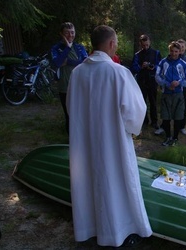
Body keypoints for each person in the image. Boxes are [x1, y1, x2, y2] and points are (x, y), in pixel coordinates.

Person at [66, 25, 152, 247]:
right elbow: (136, 111)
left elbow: (70, 106)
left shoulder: (77, 74)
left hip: (84, 141)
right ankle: (118, 229)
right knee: (115, 181)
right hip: (112, 141)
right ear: (111, 43)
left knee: (89, 181)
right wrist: (133, 130)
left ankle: (91, 227)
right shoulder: (118, 72)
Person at [51, 22, 88, 134]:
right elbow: (57, 63)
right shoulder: (56, 48)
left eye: (72, 32)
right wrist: (67, 48)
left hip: (80, 85)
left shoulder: (79, 47)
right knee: (69, 114)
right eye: (67, 33)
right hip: (64, 86)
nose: (70, 35)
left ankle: (82, 136)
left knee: (81, 112)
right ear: (61, 34)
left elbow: (86, 62)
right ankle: (70, 140)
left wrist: (68, 61)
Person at [155, 41, 186, 146]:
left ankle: (175, 138)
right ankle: (167, 137)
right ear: (169, 51)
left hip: (178, 94)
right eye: (172, 51)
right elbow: (157, 76)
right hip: (166, 93)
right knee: (166, 117)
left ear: (180, 52)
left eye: (176, 51)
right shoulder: (163, 62)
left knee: (178, 117)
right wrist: (166, 84)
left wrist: (178, 83)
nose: (174, 53)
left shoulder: (184, 64)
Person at [131, 34, 162, 129]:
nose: (145, 47)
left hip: (152, 80)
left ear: (149, 42)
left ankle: (154, 121)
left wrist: (151, 66)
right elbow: (133, 68)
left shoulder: (156, 53)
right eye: (143, 45)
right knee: (142, 102)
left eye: (147, 45)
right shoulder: (137, 55)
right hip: (142, 80)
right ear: (140, 44)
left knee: (153, 101)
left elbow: (160, 66)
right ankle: (144, 121)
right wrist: (142, 66)